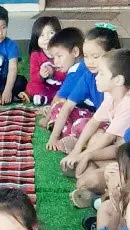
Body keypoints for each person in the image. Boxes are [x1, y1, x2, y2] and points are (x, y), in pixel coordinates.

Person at [61, 48, 130, 206]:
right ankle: (94, 182)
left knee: (88, 179)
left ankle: (100, 197)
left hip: (124, 160)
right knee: (95, 138)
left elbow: (116, 145)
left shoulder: (127, 103)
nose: (96, 77)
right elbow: (94, 122)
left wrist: (86, 156)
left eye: (102, 74)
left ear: (118, 80)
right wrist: (77, 151)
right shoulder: (111, 96)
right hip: (119, 153)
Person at [46, 25, 121, 153]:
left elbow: (117, 121)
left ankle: (81, 142)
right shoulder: (88, 76)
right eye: (86, 56)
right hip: (98, 119)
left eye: (95, 56)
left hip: (114, 125)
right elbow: (68, 106)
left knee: (96, 135)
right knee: (60, 107)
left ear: (112, 54)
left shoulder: (118, 79)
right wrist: (53, 137)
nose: (89, 62)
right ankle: (81, 141)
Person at [41, 27, 85, 128]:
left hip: (92, 112)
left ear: (75, 52)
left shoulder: (75, 72)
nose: (55, 61)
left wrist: (46, 119)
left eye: (59, 56)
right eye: (53, 57)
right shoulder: (83, 65)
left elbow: (58, 98)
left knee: (59, 106)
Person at [26, 16, 63, 106]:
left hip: (60, 85)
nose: (46, 38)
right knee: (31, 86)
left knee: (69, 87)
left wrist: (53, 72)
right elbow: (33, 76)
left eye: (51, 33)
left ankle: (45, 98)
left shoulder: (63, 52)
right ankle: (48, 97)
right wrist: (40, 75)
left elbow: (67, 73)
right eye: (42, 35)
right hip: (44, 86)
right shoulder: (35, 55)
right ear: (36, 38)